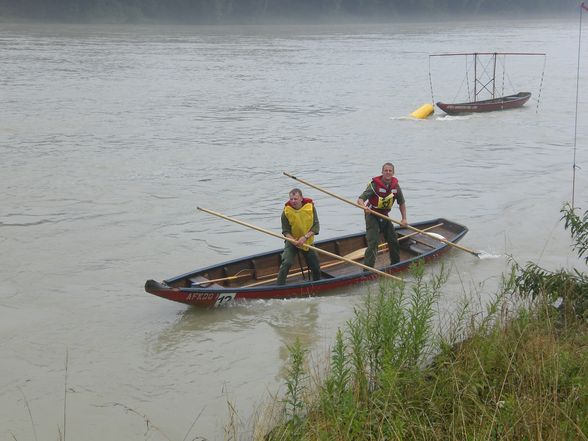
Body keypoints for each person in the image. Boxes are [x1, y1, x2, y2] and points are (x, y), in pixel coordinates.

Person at [357, 162, 407, 268]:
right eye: (386, 170)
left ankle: (396, 264)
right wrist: (364, 207)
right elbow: (360, 199)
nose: (388, 172)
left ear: (393, 172)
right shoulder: (374, 185)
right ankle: (368, 269)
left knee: (393, 239)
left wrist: (404, 219)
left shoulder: (396, 186)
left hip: (384, 215)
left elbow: (401, 203)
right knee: (373, 242)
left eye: (390, 171)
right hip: (372, 214)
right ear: (382, 172)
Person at [277, 188, 321, 285]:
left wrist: (305, 237)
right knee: (286, 263)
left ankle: (317, 284)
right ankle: (279, 286)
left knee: (315, 265)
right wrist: (294, 241)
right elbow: (285, 231)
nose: (293, 201)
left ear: (301, 198)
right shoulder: (286, 211)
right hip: (292, 241)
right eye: (291, 199)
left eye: (295, 199)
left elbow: (316, 226)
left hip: (307, 240)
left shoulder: (311, 208)